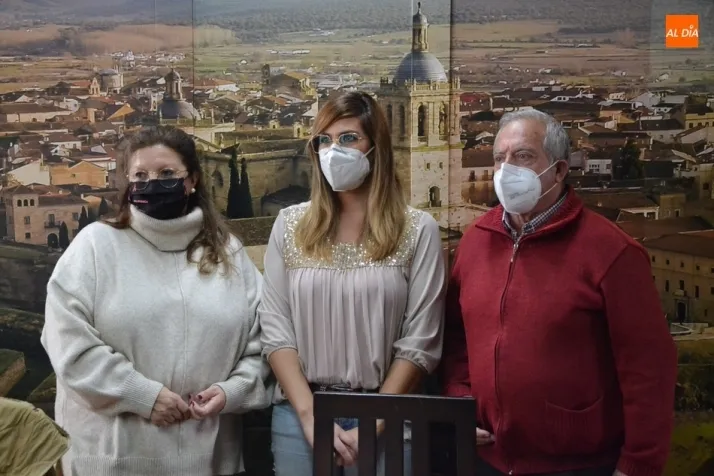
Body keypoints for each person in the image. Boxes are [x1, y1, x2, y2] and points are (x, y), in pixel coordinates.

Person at [440, 109, 678, 476]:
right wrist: (460, 401)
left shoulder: (612, 252)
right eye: (499, 158)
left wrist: (638, 465)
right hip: (487, 459)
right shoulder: (475, 242)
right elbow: (457, 337)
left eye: (523, 156)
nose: (506, 170)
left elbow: (648, 370)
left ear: (560, 169)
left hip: (579, 465)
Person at [41, 125, 272, 476]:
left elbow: (264, 338)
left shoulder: (228, 253)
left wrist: (234, 390)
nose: (152, 183)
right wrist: (141, 396)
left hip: (210, 460)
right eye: (140, 175)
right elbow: (66, 340)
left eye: (166, 173)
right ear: (128, 183)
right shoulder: (94, 247)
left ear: (191, 180)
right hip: (113, 460)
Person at [259, 91, 446, 476]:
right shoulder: (290, 226)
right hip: (300, 417)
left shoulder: (417, 230)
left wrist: (373, 423)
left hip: (391, 416)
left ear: (376, 147)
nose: (334, 150)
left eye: (348, 138)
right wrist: (310, 417)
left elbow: (421, 340)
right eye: (324, 140)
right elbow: (276, 330)